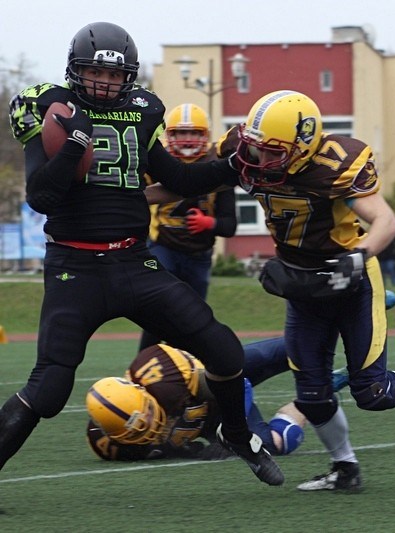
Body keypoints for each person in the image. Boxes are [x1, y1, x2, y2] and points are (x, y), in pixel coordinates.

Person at [0, 22, 283, 486]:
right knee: (48, 389)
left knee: (224, 351)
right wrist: (74, 147)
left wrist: (231, 167)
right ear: (75, 70)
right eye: (95, 72)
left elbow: (180, 179)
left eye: (114, 75)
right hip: (75, 267)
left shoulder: (143, 110)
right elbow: (42, 197)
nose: (104, 83)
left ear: (128, 77)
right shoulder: (52, 108)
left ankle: (235, 433)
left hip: (134, 262)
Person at [147, 89, 395, 491]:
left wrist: (359, 255)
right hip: (301, 282)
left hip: (350, 281)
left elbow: (386, 221)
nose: (258, 159)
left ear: (303, 146)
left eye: (272, 151)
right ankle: (345, 468)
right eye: (255, 147)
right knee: (312, 395)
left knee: (372, 391)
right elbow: (188, 186)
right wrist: (133, 199)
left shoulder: (333, 166)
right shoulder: (247, 152)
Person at [85, 339, 350, 461]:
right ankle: (314, 397)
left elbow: (236, 386)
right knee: (274, 445)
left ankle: (352, 331)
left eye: (148, 414)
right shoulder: (110, 446)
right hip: (209, 420)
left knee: (302, 345)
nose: (152, 424)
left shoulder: (167, 381)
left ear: (140, 391)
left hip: (221, 379)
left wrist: (234, 434)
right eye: (139, 430)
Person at [139, 103, 237, 351]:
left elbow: (229, 225)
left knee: (193, 318)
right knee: (158, 310)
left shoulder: (216, 165)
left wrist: (209, 223)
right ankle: (144, 362)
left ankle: (185, 365)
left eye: (194, 132)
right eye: (181, 132)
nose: (187, 139)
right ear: (169, 136)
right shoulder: (157, 164)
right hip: (164, 248)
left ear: (206, 135)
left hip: (198, 255)